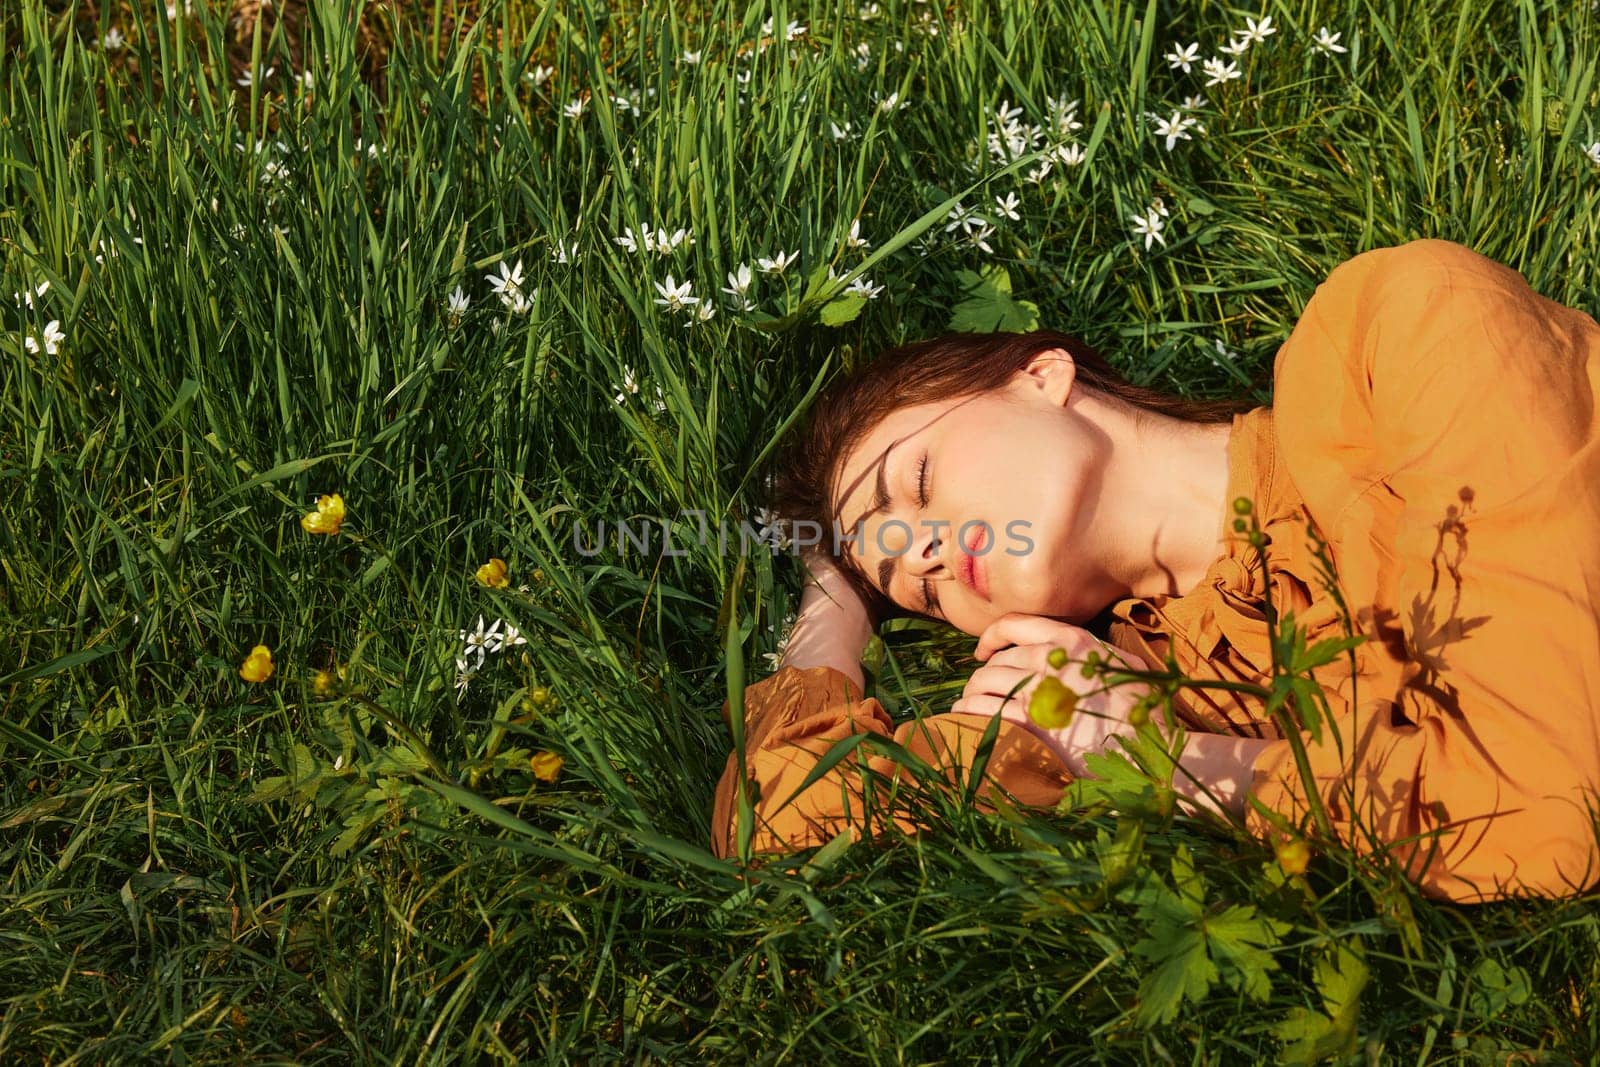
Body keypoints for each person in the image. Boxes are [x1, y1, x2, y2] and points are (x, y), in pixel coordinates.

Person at [710, 238, 1600, 904]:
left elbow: (1553, 806)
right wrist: (835, 584)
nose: (927, 553)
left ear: (1040, 373)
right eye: (918, 588)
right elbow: (772, 818)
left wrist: (1185, 765)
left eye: (918, 481)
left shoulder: (1394, 338)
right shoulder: (1103, 694)